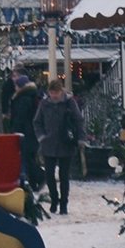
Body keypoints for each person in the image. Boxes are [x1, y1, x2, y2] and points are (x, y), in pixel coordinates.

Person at [28, 77, 84, 215]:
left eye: (56, 93)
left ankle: (63, 203)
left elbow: (78, 120)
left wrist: (80, 138)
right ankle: (54, 199)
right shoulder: (44, 104)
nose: (54, 95)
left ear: (61, 91)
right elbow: (37, 121)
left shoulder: (69, 103)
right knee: (49, 175)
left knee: (64, 176)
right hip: (49, 143)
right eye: (52, 93)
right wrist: (41, 136)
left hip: (66, 142)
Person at [4, 71, 44, 189]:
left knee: (26, 158)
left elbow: (20, 117)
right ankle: (33, 182)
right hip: (31, 132)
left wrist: (14, 130)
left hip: (26, 132)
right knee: (29, 157)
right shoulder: (31, 96)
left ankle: (40, 176)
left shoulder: (22, 99)